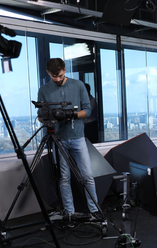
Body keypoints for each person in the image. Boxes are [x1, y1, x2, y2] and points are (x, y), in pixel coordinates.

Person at [37, 58, 102, 222]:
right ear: (48, 73)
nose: (57, 79)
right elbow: (40, 117)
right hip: (58, 140)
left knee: (87, 175)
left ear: (65, 70)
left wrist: (70, 114)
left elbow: (87, 110)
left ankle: (94, 211)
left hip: (78, 137)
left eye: (59, 75)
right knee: (64, 178)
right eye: (54, 76)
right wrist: (50, 117)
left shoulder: (78, 85)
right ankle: (69, 213)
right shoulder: (44, 90)